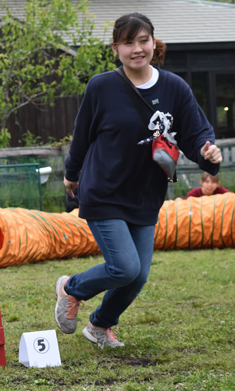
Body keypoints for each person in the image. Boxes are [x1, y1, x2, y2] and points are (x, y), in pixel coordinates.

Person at [54, 13, 222, 348]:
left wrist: (209, 154)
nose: (136, 49)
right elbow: (82, 136)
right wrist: (72, 175)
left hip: (145, 194)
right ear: (116, 48)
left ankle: (100, 325)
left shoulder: (174, 87)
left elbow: (196, 133)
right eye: (128, 42)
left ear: (152, 42)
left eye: (142, 40)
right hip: (104, 190)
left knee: (138, 276)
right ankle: (70, 288)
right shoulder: (101, 86)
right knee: (125, 267)